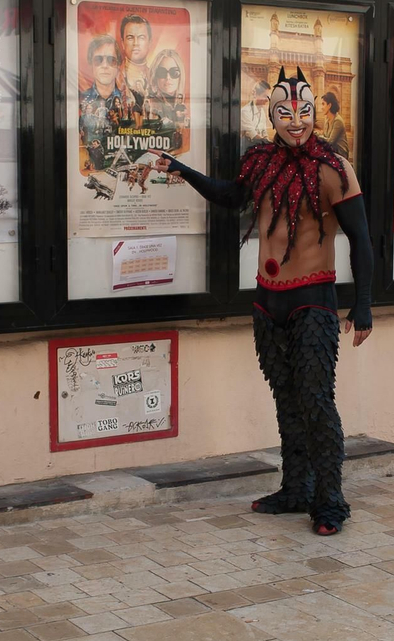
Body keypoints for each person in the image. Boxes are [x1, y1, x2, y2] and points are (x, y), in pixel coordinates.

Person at [155, 67, 374, 536]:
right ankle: (296, 487)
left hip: (313, 299)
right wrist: (180, 169)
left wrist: (363, 304)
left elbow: (361, 238)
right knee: (287, 400)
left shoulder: (334, 169)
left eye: (303, 112)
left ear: (315, 113)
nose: (295, 121)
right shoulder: (260, 162)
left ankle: (330, 499)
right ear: (271, 115)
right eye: (285, 112)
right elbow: (230, 196)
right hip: (266, 301)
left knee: (316, 401)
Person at [80, 35, 123, 172]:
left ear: (118, 65)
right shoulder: (79, 100)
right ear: (91, 64)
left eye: (111, 60)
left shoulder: (130, 100)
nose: (105, 65)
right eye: (99, 59)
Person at [146, 47, 189, 138]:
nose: (168, 77)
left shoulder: (187, 104)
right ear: (155, 76)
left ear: (180, 75)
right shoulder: (151, 103)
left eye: (174, 72)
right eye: (162, 72)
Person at [119, 14, 153, 96]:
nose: (136, 43)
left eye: (141, 37)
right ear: (123, 43)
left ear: (149, 43)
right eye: (130, 38)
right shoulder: (115, 77)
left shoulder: (156, 78)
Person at [241, 80, 272, 147]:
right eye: (265, 96)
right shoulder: (245, 112)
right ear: (255, 94)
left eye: (268, 97)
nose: (267, 100)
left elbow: (264, 132)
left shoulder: (262, 112)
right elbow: (254, 135)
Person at [319, 92, 350, 159]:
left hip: (341, 155)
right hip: (332, 152)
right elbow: (325, 137)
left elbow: (330, 142)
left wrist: (317, 135)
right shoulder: (327, 120)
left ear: (329, 105)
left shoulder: (338, 121)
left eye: (323, 104)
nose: (321, 107)